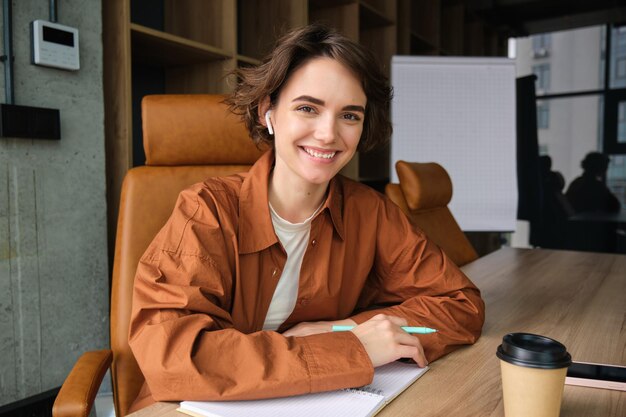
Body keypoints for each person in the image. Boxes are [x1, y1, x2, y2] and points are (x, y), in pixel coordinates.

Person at [128, 24, 485, 412]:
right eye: (307, 108)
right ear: (269, 112)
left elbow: (459, 304)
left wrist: (339, 329)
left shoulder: (371, 211)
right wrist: (344, 347)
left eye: (349, 115)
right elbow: (174, 356)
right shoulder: (207, 211)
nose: (328, 134)